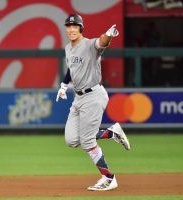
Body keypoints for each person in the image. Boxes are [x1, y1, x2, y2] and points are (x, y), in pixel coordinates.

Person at [56, 14, 131, 191]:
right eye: (69, 26)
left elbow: (101, 43)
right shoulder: (68, 48)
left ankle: (108, 177)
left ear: (81, 28)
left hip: (93, 95)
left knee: (88, 141)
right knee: (71, 140)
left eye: (75, 26)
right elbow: (71, 68)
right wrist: (63, 85)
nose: (71, 29)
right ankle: (111, 133)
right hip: (78, 97)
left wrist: (108, 34)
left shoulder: (89, 45)